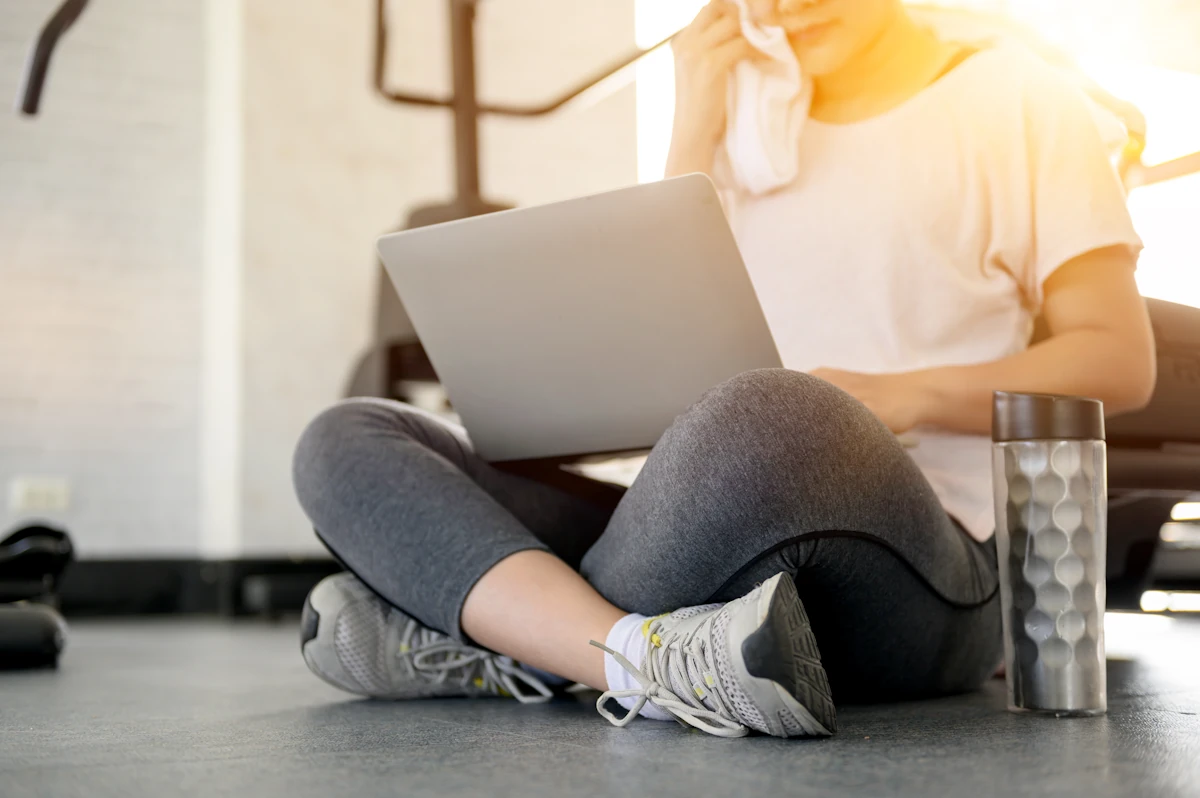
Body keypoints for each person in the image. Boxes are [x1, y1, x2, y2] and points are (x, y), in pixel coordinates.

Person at [291, 0, 1154, 738]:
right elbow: (650, 346)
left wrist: (899, 396)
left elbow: (1119, 358)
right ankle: (634, 659)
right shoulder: (743, 115)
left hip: (927, 565)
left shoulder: (1019, 99)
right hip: (701, 520)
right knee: (348, 438)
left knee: (773, 413)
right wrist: (695, 117)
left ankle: (517, 638)